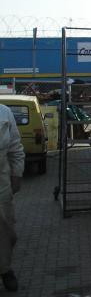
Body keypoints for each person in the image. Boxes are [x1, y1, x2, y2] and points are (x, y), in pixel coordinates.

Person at [0, 104, 24, 292]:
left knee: (8, 233)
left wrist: (17, 174)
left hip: (1, 185)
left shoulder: (4, 113)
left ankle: (5, 269)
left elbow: (15, 147)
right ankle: (5, 271)